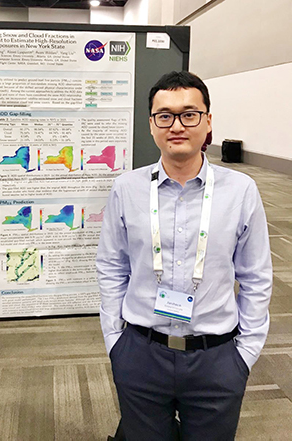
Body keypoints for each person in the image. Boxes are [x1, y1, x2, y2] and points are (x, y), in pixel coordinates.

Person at [96, 71, 272, 441]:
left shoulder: (241, 190)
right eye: (165, 115)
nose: (176, 125)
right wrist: (116, 342)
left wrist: (246, 353)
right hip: (142, 353)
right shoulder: (126, 189)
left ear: (208, 121)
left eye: (189, 114)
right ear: (151, 124)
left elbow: (256, 276)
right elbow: (112, 266)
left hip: (217, 358)